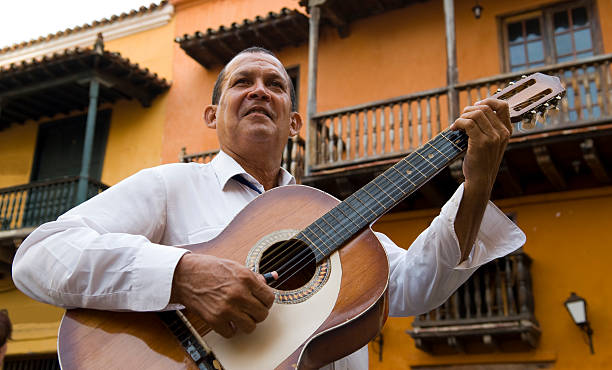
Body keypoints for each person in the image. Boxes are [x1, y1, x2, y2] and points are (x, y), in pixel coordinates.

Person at [12, 47, 525, 369]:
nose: (260, 90)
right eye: (243, 81)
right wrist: (181, 274)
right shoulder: (169, 186)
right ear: (213, 114)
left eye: (276, 84)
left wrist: (476, 184)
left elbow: (415, 284)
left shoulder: (327, 213)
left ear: (294, 122)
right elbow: (39, 256)